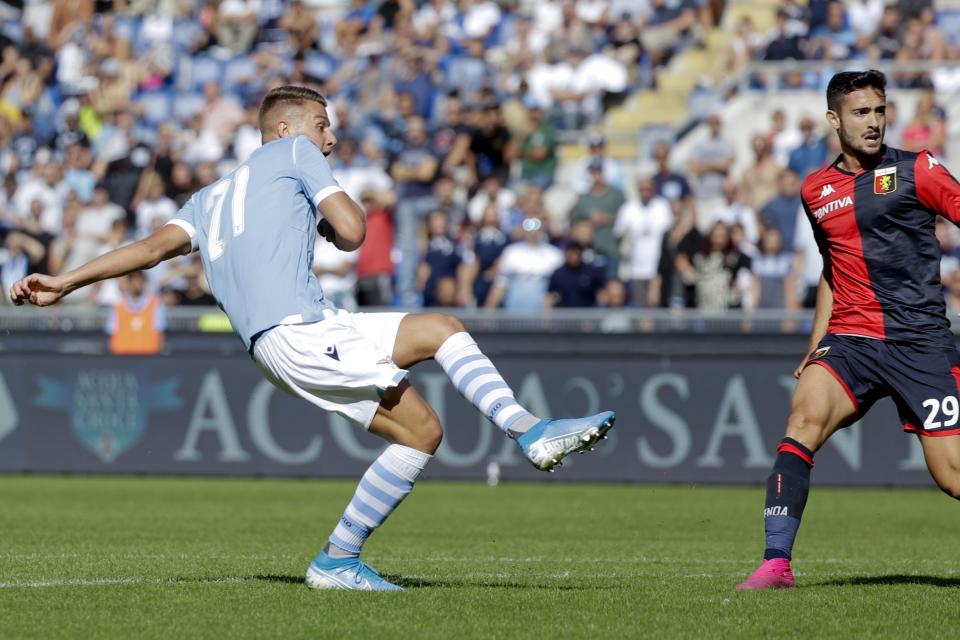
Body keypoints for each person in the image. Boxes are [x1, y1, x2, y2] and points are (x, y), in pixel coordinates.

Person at [10, 86, 616, 592]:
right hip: (299, 330)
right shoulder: (296, 151)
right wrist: (329, 222)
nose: (330, 139)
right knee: (430, 394)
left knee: (434, 374)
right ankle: (521, 437)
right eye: (323, 126)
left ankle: (341, 559)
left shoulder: (208, 198)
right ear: (284, 128)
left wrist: (65, 280)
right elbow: (353, 232)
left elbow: (146, 251)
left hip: (293, 334)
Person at [737, 70, 960, 590]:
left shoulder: (919, 171)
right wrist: (816, 343)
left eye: (880, 111)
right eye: (862, 113)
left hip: (919, 343)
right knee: (802, 422)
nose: (874, 123)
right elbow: (831, 269)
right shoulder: (815, 190)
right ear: (834, 119)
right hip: (852, 338)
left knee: (951, 476)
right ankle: (776, 564)